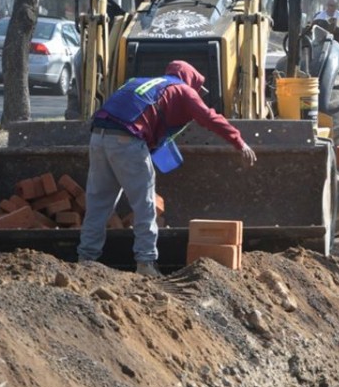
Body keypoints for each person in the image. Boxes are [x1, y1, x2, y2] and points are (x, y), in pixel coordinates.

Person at [77, 60, 257, 276]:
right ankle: (145, 262)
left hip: (98, 137)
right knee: (145, 204)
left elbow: (140, 114)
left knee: (98, 203)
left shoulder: (140, 83)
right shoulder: (183, 90)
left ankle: (85, 260)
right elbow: (209, 117)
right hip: (127, 140)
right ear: (190, 79)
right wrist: (239, 142)